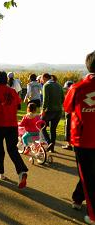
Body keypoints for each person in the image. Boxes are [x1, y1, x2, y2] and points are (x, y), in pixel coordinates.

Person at [64, 51, 95, 225]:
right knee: (89, 173)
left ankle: (93, 215)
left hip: (83, 139)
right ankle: (77, 198)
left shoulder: (77, 87)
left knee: (88, 175)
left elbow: (68, 108)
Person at [0, 71, 28, 189]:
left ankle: (0, 171)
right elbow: (19, 106)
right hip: (12, 124)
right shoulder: (12, 90)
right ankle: (21, 172)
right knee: (12, 149)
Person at [41, 73, 64, 152]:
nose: (41, 80)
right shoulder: (59, 85)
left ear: (44, 77)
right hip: (58, 111)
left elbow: (45, 99)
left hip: (49, 111)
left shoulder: (46, 86)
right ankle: (52, 148)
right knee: (53, 129)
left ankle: (49, 142)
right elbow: (63, 99)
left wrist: (43, 110)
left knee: (41, 126)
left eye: (41, 78)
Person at [62, 80, 74, 150]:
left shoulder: (70, 94)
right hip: (74, 114)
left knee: (68, 128)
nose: (66, 89)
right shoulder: (75, 93)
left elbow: (66, 105)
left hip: (69, 113)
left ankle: (69, 144)